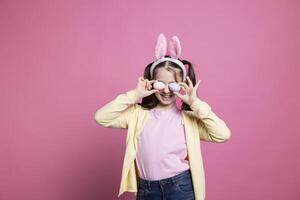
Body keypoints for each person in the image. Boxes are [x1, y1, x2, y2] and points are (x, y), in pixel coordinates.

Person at [94, 33, 231, 200]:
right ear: (151, 83)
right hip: (147, 189)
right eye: (161, 84)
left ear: (181, 86)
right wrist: (135, 94)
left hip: (180, 186)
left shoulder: (188, 119)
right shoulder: (137, 114)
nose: (166, 91)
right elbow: (101, 117)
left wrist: (196, 103)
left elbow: (223, 134)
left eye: (172, 85)